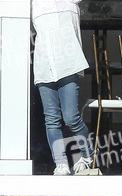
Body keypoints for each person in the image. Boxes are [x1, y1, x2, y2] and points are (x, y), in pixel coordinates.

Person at [32, 0, 95, 175]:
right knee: (51, 119)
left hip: (68, 64)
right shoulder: (32, 5)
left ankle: (87, 156)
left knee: (71, 117)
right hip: (44, 65)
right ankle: (61, 163)